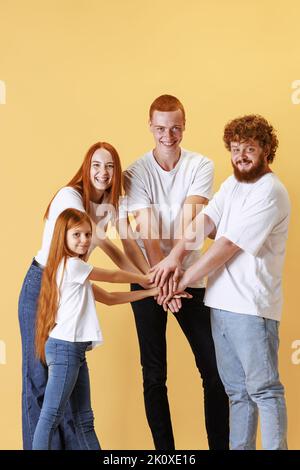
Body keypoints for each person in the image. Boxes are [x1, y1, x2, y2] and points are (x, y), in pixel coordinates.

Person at [150, 114, 290, 450]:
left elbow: (226, 246)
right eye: (236, 148)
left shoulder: (270, 191)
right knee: (237, 394)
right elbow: (207, 220)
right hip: (220, 306)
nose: (241, 155)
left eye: (250, 148)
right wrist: (173, 257)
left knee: (264, 391)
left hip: (252, 310)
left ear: (267, 149)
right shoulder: (232, 184)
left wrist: (179, 278)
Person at [18, 141, 146, 450]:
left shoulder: (109, 207)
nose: (103, 172)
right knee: (39, 381)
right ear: (86, 168)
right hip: (44, 285)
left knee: (73, 401)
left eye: (110, 166)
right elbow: (76, 253)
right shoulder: (70, 198)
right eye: (97, 165)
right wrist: (146, 282)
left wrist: (149, 280)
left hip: (71, 286)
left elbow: (120, 246)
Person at [121, 95, 229, 450]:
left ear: (185, 125)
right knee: (154, 375)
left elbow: (191, 224)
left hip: (190, 278)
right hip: (149, 280)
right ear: (151, 127)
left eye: (176, 127)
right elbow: (148, 235)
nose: (169, 135)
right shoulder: (135, 172)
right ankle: (166, 455)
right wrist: (161, 281)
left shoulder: (201, 165)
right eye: (161, 128)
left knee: (214, 372)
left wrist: (177, 277)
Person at [32, 208, 164, 450]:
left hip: (75, 350)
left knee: (85, 419)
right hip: (65, 349)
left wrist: (151, 293)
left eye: (87, 235)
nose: (84, 240)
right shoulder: (71, 266)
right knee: (51, 417)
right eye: (77, 235)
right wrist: (150, 279)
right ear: (63, 236)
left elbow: (110, 298)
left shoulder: (75, 272)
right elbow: (113, 276)